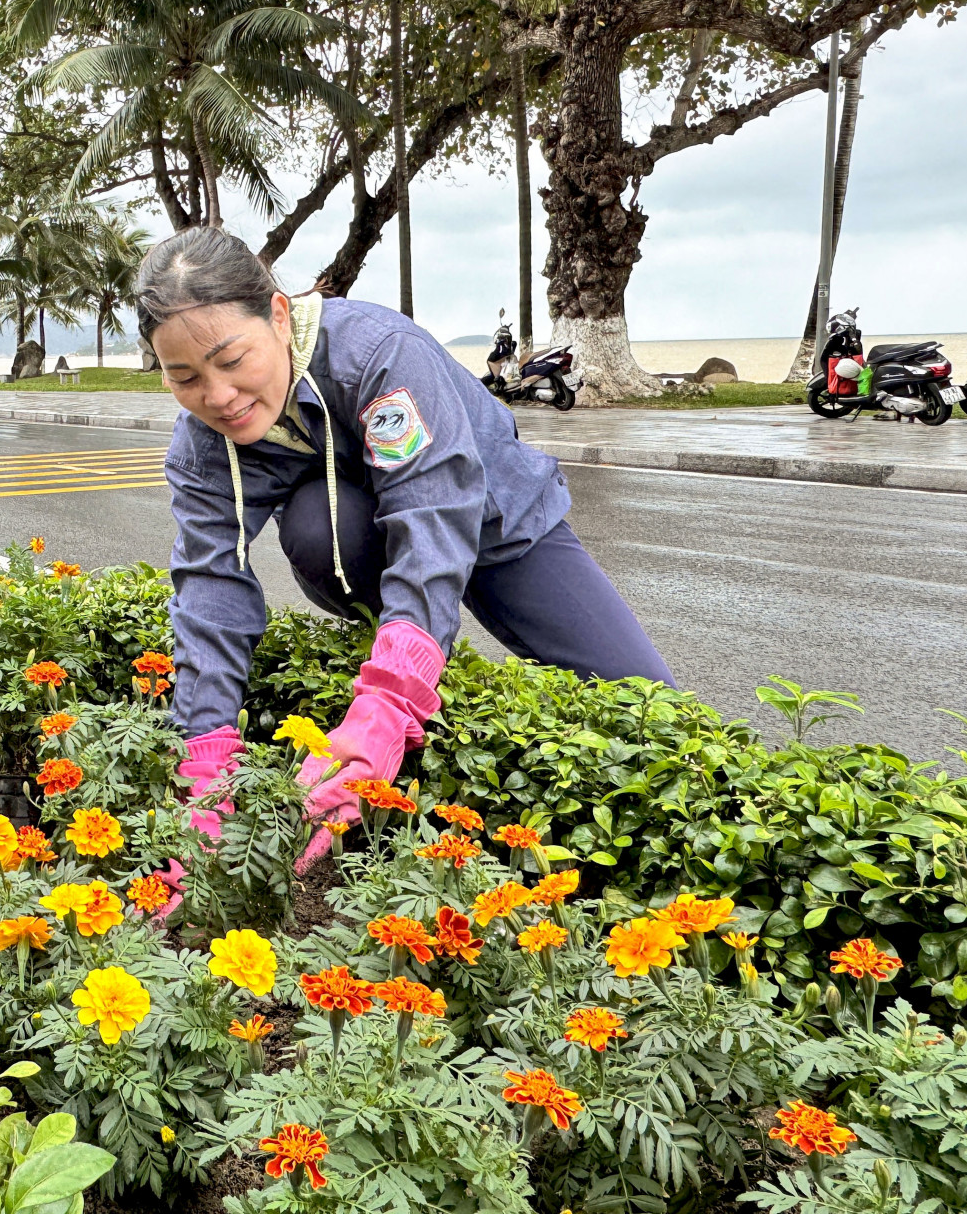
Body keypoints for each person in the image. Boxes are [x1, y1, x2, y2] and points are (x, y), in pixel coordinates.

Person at [139, 228, 671, 866]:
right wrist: (205, 757)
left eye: (231, 361)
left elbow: (431, 521)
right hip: (366, 543)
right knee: (315, 524)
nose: (218, 397)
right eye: (185, 377)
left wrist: (388, 706)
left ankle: (407, 662)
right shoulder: (202, 443)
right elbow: (209, 584)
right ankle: (406, 645)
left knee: (649, 703)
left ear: (278, 315)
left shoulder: (378, 354)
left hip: (498, 526)